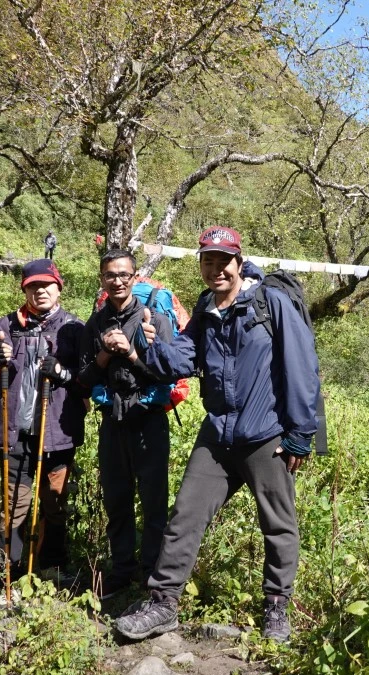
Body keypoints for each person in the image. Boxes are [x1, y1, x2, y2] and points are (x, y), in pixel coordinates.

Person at [114, 226, 320, 642]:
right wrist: (153, 344)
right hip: (218, 433)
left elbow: (301, 365)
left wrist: (300, 432)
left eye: (223, 261)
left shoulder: (270, 302)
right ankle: (163, 603)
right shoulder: (206, 307)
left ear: (239, 263)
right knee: (185, 515)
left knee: (278, 523)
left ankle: (277, 607)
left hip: (266, 434)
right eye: (208, 261)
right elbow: (183, 358)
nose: (216, 269)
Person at [78, 249, 180, 599]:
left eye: (124, 275)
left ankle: (152, 575)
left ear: (135, 278)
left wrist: (132, 354)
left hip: (149, 420)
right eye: (111, 275)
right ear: (102, 279)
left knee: (154, 502)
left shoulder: (156, 320)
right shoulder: (95, 323)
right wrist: (105, 353)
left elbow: (168, 373)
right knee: (116, 499)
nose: (118, 281)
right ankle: (121, 571)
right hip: (112, 421)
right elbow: (84, 377)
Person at [0, 259, 86, 583]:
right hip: (15, 433)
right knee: (14, 505)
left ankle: (53, 567)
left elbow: (88, 379)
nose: (40, 291)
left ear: (58, 288)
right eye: (33, 286)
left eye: (46, 285)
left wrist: (62, 373)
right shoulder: (6, 325)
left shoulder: (73, 327)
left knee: (54, 502)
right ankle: (9, 573)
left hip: (57, 434)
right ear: (24, 290)